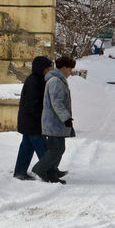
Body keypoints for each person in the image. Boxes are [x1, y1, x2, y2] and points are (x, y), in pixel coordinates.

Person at [33, 56, 77, 184]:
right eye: (69, 69)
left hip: (55, 122)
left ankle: (51, 171)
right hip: (54, 122)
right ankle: (40, 169)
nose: (70, 72)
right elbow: (56, 102)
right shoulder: (56, 81)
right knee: (56, 149)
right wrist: (66, 118)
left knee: (58, 148)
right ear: (63, 68)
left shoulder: (58, 80)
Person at [13, 56, 52, 180]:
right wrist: (41, 118)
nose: (48, 71)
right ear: (41, 68)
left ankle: (20, 172)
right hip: (33, 122)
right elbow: (32, 104)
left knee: (26, 148)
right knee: (43, 148)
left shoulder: (37, 79)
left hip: (29, 121)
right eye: (47, 69)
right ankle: (48, 173)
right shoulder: (34, 81)